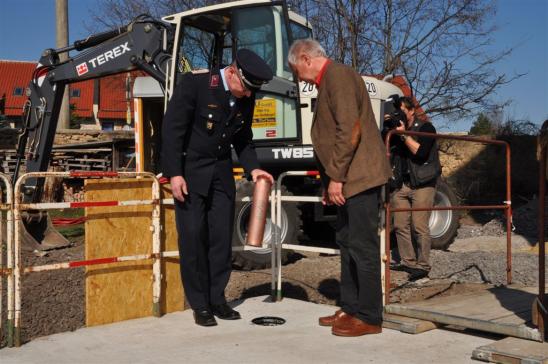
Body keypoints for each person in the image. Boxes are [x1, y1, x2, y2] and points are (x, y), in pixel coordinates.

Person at [161, 49, 274, 327]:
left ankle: (217, 298)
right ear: (233, 72)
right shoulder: (196, 84)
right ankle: (200, 304)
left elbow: (243, 138)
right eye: (245, 89)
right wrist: (174, 173)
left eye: (252, 92)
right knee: (193, 238)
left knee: (221, 240)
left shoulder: (246, 95)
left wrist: (254, 167)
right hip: (190, 175)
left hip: (221, 176)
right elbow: (172, 131)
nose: (248, 96)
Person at [288, 39, 392, 337]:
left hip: (358, 178)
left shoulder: (339, 76)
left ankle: (370, 316)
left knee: (363, 247)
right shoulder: (329, 81)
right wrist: (328, 182)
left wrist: (337, 177)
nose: (298, 78)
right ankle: (351, 307)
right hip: (348, 179)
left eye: (296, 71)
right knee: (346, 243)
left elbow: (350, 130)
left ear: (305, 58)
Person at [388, 96, 441, 281]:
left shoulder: (426, 127)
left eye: (402, 110)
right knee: (400, 225)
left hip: (423, 184)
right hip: (402, 185)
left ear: (411, 111)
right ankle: (408, 262)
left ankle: (423, 265)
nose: (399, 114)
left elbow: (420, 153)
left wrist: (404, 135)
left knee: (419, 226)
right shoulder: (395, 129)